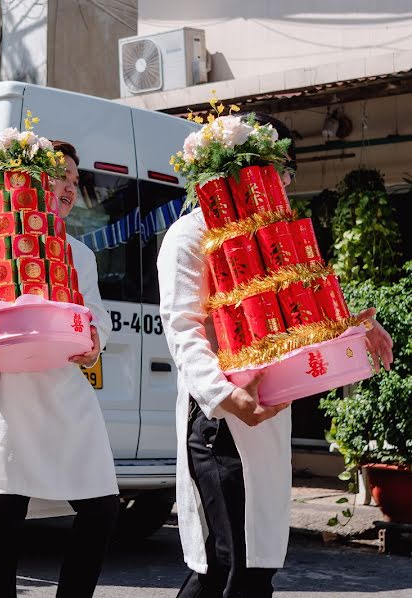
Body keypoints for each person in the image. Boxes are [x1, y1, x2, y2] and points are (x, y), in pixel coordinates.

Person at [158, 115, 394, 598]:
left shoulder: (275, 240)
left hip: (269, 414)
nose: (281, 182)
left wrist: (359, 327)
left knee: (255, 563)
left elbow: (304, 315)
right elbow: (182, 330)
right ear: (236, 167)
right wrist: (226, 395)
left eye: (285, 172)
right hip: (220, 419)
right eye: (275, 168)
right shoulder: (189, 236)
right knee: (226, 567)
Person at [0, 141, 119, 598]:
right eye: (61, 176)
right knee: (3, 522)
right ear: (31, 178)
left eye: (76, 181)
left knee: (101, 507)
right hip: (7, 393)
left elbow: (95, 313)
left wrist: (95, 339)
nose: (69, 188)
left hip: (66, 393)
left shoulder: (81, 252)